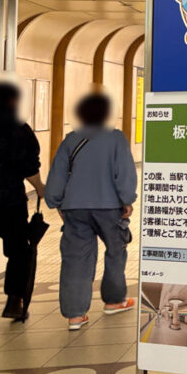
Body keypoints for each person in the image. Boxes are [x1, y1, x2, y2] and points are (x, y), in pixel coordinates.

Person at [45, 92, 137, 330]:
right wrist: (127, 199)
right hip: (109, 206)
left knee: (76, 259)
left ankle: (75, 315)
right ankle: (114, 301)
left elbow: (57, 176)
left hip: (75, 208)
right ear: (106, 114)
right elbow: (124, 172)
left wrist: (55, 201)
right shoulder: (116, 139)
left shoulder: (70, 140)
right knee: (116, 251)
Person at [0, 76, 45, 320]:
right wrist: (41, 187)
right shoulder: (18, 128)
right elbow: (28, 165)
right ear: (13, 100)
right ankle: (14, 301)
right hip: (9, 202)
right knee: (18, 251)